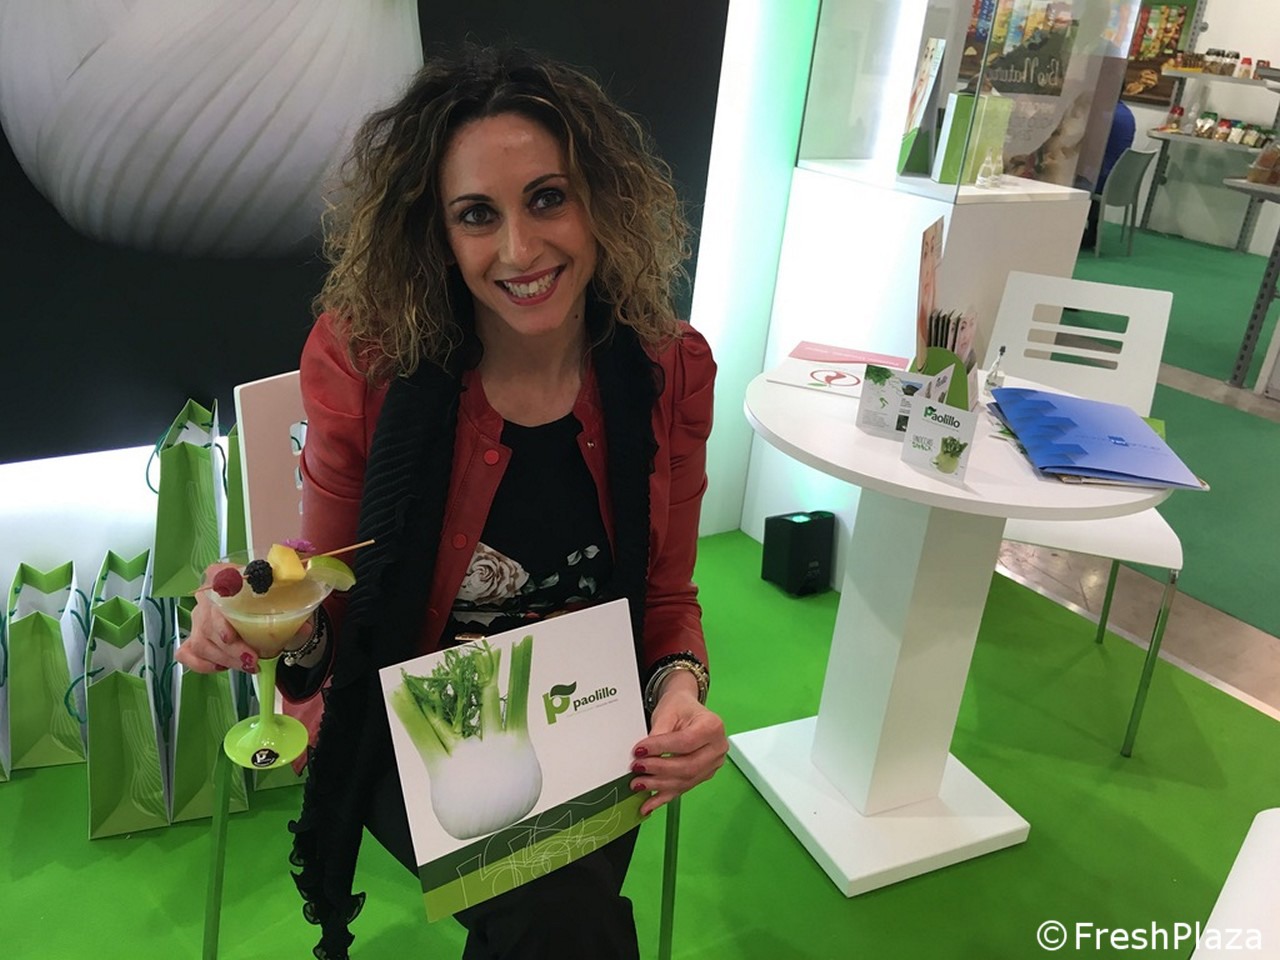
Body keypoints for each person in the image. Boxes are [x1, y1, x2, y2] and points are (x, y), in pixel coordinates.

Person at [176, 44, 729, 960]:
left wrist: (680, 693)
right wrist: (263, 619)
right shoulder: (370, 369)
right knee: (560, 919)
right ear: (436, 233)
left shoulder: (666, 370)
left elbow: (665, 598)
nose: (520, 250)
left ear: (601, 202)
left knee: (557, 915)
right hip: (411, 718)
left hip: (587, 714)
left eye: (547, 198)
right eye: (478, 215)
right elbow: (332, 594)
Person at [1081, 99, 1136, 249]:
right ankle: (1091, 231)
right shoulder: (1126, 113)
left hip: (1101, 179)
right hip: (1117, 180)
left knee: (1065, 175)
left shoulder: (1105, 114)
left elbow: (1086, 144)